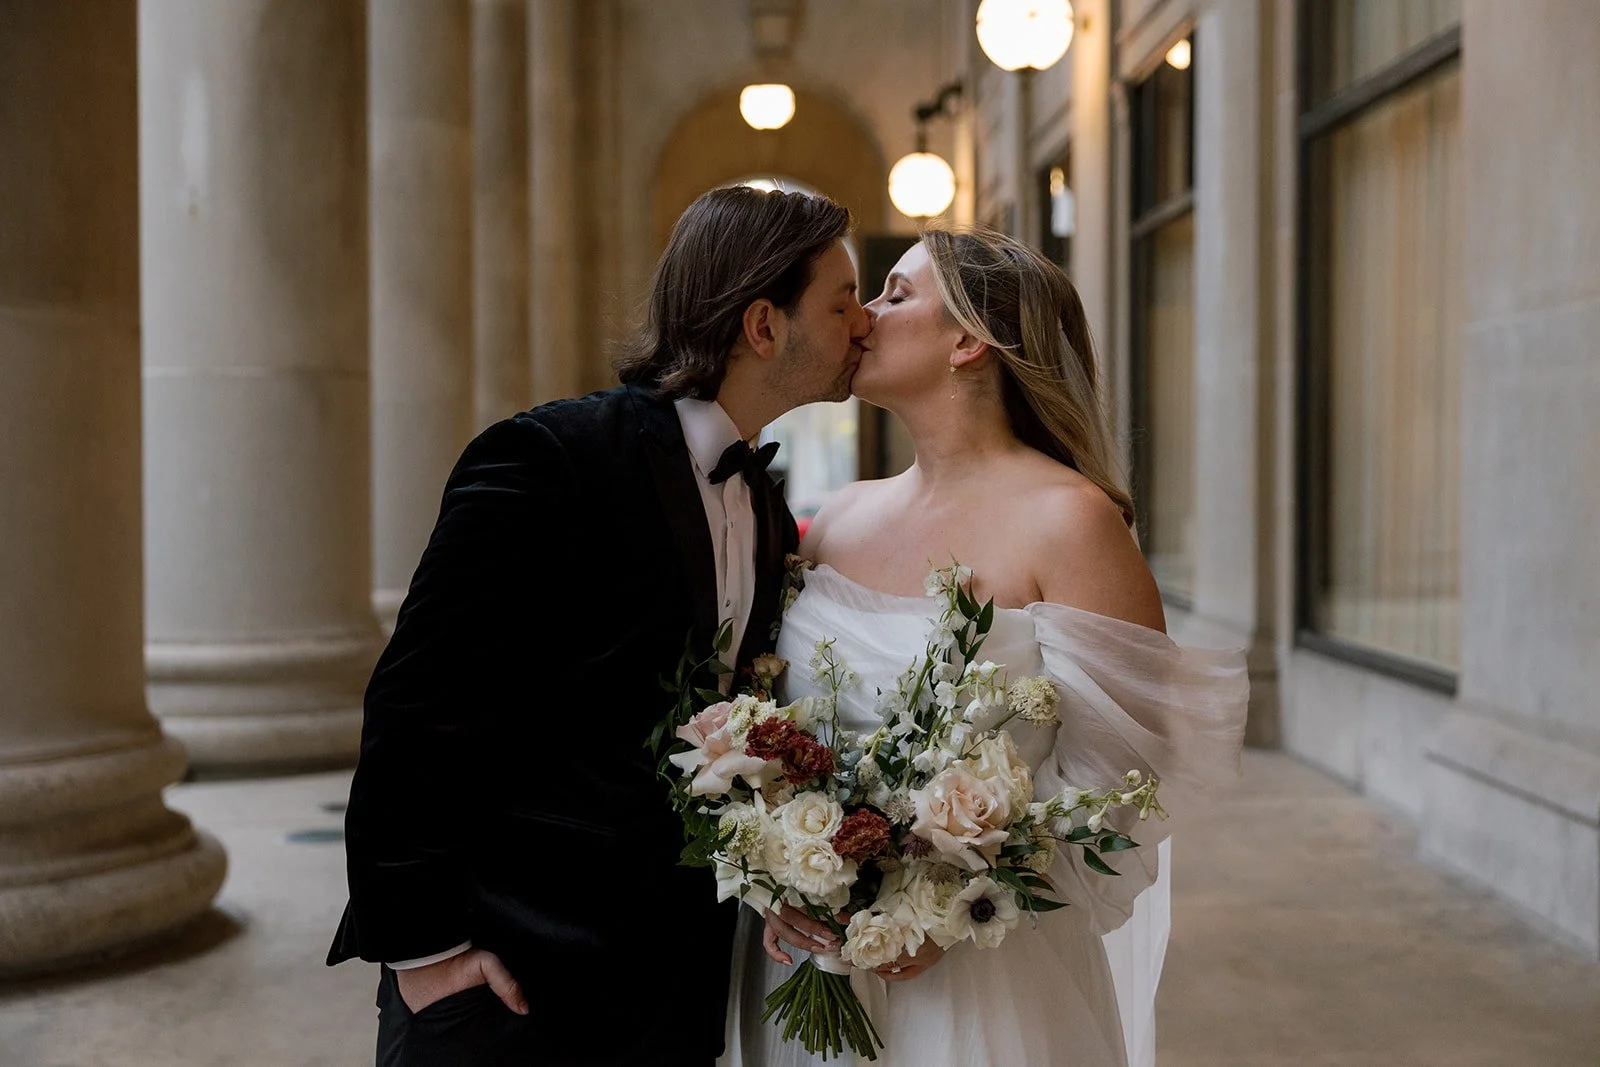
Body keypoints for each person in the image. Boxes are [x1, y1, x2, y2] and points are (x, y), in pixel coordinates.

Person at [327, 185, 872, 1067]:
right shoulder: (551, 459)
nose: (864, 325)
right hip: (510, 981)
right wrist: (422, 953)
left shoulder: (768, 513)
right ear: (764, 325)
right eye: (843, 303)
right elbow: (416, 705)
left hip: (670, 983)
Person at [721, 226, 1249, 1067]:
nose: (861, 316)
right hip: (805, 964)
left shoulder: (1070, 521)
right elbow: (761, 718)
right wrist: (772, 869)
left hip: (982, 984)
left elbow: (1129, 776)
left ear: (968, 339)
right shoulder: (837, 518)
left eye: (895, 295)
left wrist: (954, 899)